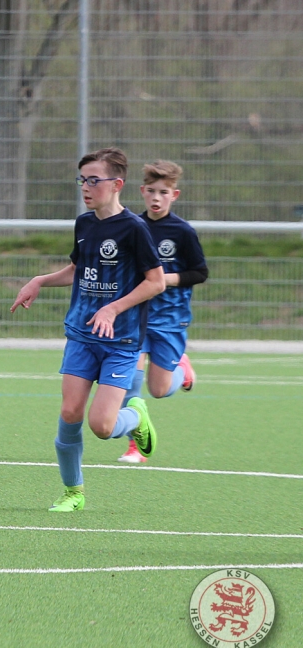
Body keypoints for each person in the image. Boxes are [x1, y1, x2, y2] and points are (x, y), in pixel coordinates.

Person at [11, 147, 165, 512]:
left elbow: (156, 282)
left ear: (117, 184)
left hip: (121, 340)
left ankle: (136, 417)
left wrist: (113, 307)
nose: (86, 187)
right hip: (81, 335)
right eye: (82, 179)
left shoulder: (134, 229)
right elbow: (77, 270)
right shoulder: (84, 224)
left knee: (102, 426)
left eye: (94, 180)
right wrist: (39, 280)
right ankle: (73, 492)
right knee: (70, 413)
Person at [119, 160, 208, 463]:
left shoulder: (182, 232)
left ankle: (182, 369)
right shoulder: (132, 226)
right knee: (128, 381)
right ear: (142, 191)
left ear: (175, 195)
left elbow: (200, 273)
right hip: (135, 316)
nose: (156, 198)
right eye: (152, 191)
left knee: (159, 390)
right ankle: (135, 445)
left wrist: (162, 280)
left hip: (169, 319)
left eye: (164, 192)